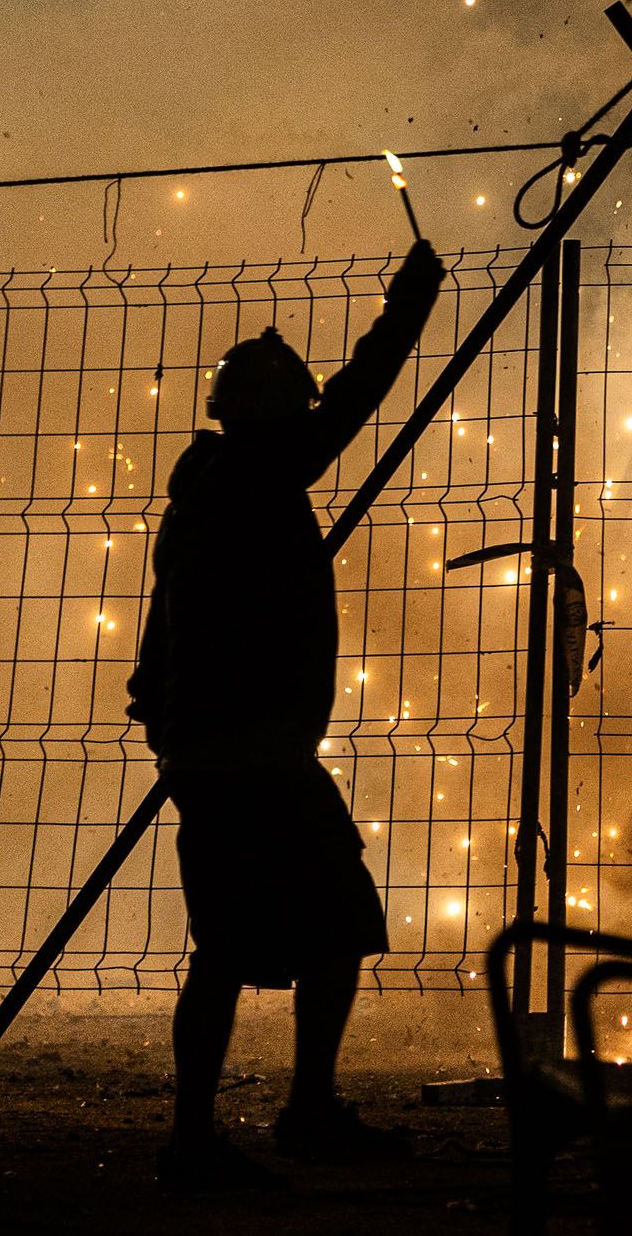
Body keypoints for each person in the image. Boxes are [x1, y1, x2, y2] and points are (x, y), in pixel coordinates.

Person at [127, 238, 445, 1188]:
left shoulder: (204, 494)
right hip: (252, 752)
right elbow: (359, 390)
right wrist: (412, 302)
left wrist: (169, 728)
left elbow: (155, 648)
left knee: (243, 940)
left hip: (222, 751)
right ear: (268, 414)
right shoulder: (259, 479)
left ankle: (218, 1129)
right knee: (328, 923)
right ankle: (261, 1124)